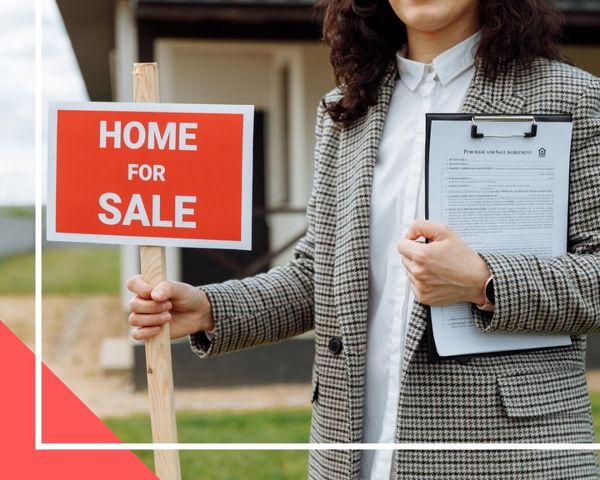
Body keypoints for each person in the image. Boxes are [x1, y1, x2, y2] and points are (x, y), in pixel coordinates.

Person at [127, 0, 600, 478]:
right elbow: (319, 274)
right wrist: (211, 308)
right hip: (352, 448)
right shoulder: (347, 108)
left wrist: (484, 280)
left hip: (507, 454)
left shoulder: (573, 98)